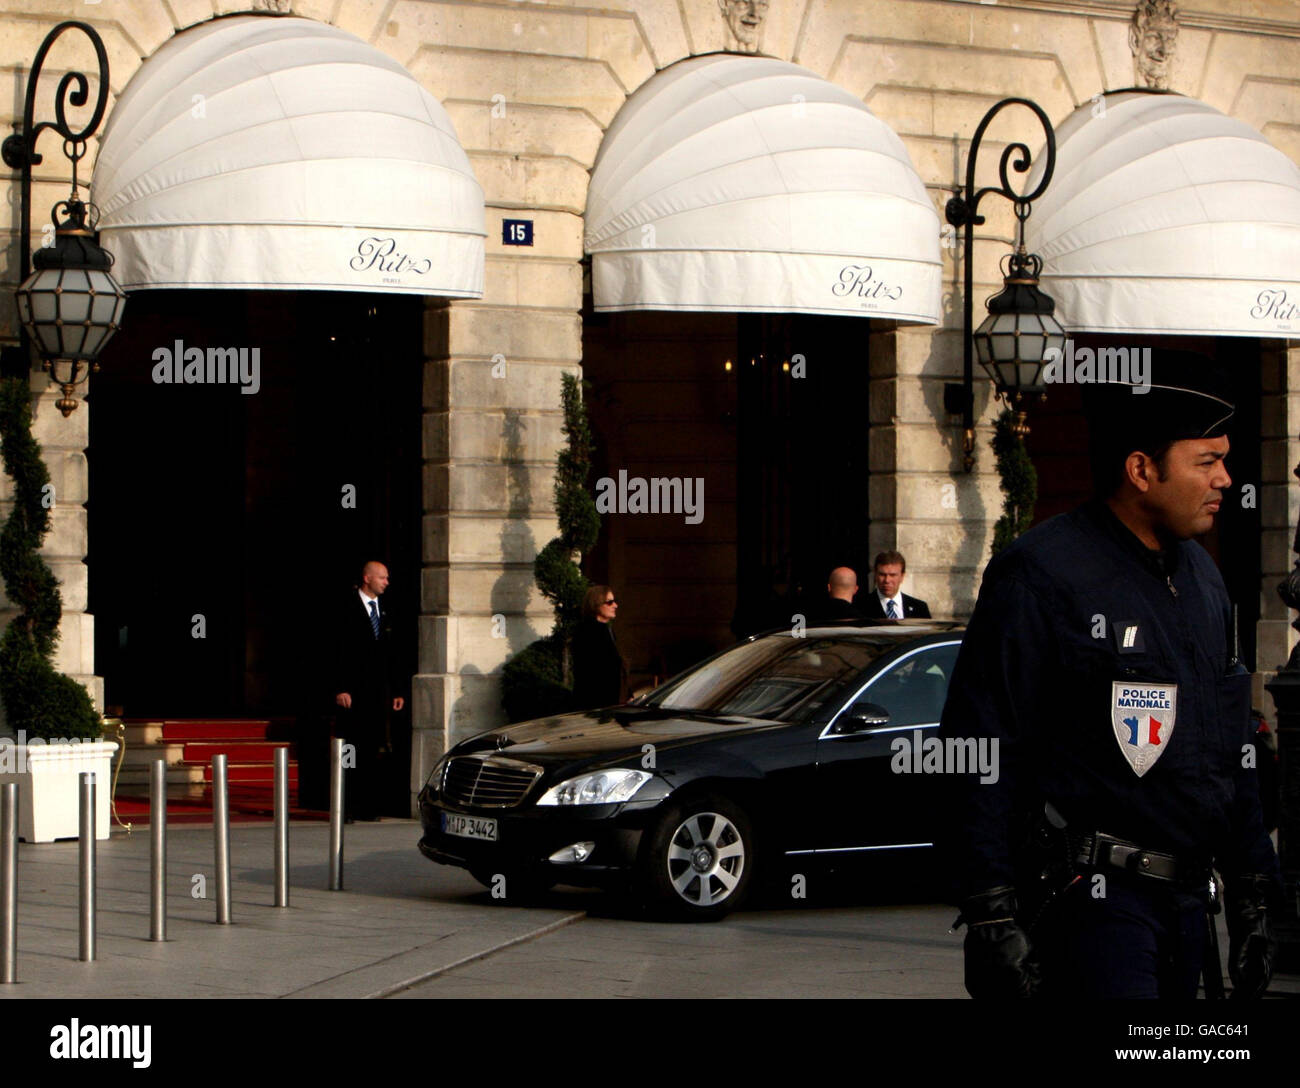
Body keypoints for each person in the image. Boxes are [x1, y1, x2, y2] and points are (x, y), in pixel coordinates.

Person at [938, 350, 1280, 1000]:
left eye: (1224, 459)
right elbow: (979, 744)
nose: (1226, 479)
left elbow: (1228, 749)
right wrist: (989, 908)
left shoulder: (1204, 580)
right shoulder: (1040, 575)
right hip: (1093, 909)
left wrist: (1253, 894)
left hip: (1187, 912)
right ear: (1142, 469)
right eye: (1206, 462)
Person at [331, 560, 405, 820]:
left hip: (377, 692)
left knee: (372, 747)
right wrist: (340, 687)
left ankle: (368, 805)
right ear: (367, 578)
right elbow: (336, 650)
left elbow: (392, 653)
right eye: (382, 578)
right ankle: (345, 806)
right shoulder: (345, 607)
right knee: (350, 748)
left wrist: (397, 690)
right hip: (351, 693)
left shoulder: (385, 609)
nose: (386, 582)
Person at [571, 585, 628, 710]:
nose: (615, 605)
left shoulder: (607, 630)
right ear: (596, 604)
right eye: (610, 602)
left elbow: (617, 667)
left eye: (615, 601)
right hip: (595, 705)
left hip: (610, 703)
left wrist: (628, 694)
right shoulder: (586, 632)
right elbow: (590, 672)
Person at [859, 551, 931, 619]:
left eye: (893, 575)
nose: (887, 580)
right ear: (875, 575)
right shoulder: (861, 607)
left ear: (902, 576)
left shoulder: (919, 608)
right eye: (882, 575)